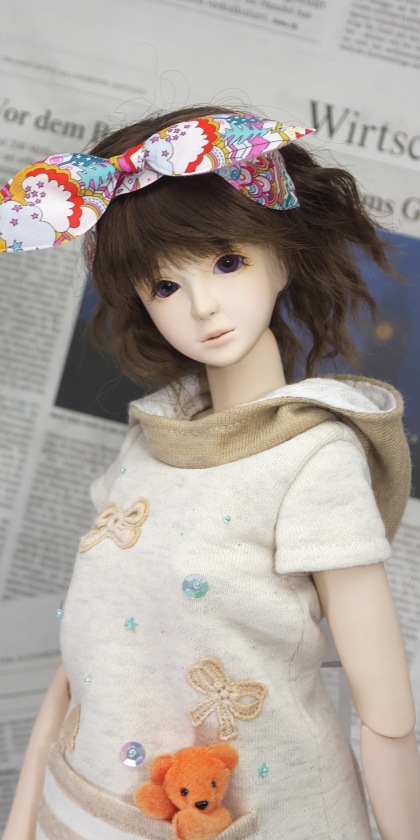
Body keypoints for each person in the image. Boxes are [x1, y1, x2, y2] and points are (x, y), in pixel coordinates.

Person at [1, 106, 420, 840]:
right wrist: (24, 813)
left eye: (228, 262)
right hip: (86, 810)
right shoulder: (148, 439)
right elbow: (85, 657)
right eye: (164, 287)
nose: (202, 306)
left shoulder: (312, 458)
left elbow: (387, 714)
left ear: (281, 255)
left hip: (268, 815)